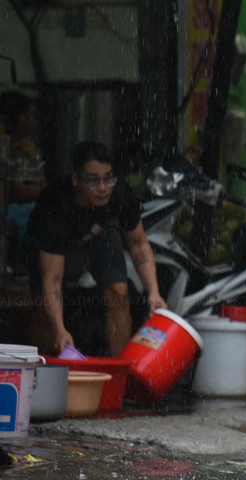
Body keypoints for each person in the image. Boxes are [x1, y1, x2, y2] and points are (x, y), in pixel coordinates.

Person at [24, 141, 167, 356]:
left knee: (119, 294)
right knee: (44, 311)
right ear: (76, 179)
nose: (102, 188)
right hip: (53, 250)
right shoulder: (55, 205)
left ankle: (119, 373)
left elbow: (138, 244)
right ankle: (43, 371)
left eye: (107, 178)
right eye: (93, 181)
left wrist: (153, 292)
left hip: (100, 235)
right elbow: (51, 279)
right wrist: (60, 329)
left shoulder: (119, 193)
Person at [0, 91, 45, 269]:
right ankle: (21, 263)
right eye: (26, 116)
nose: (31, 122)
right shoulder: (6, 147)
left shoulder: (27, 148)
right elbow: (19, 191)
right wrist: (43, 191)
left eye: (33, 116)